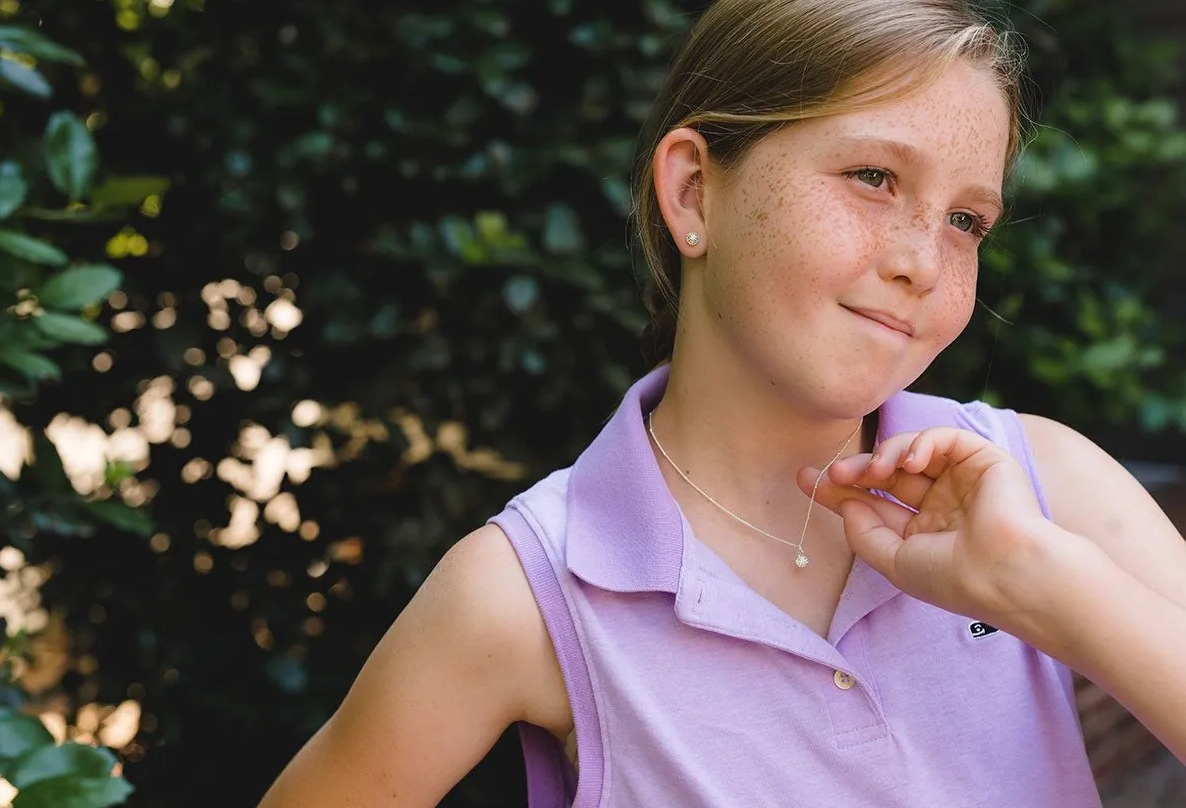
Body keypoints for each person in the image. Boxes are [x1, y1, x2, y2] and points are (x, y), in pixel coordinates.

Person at [258, 0, 1186, 805]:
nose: (921, 260)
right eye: (873, 178)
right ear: (694, 189)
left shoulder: (1046, 482)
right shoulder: (531, 594)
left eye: (965, 220)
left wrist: (1047, 585)